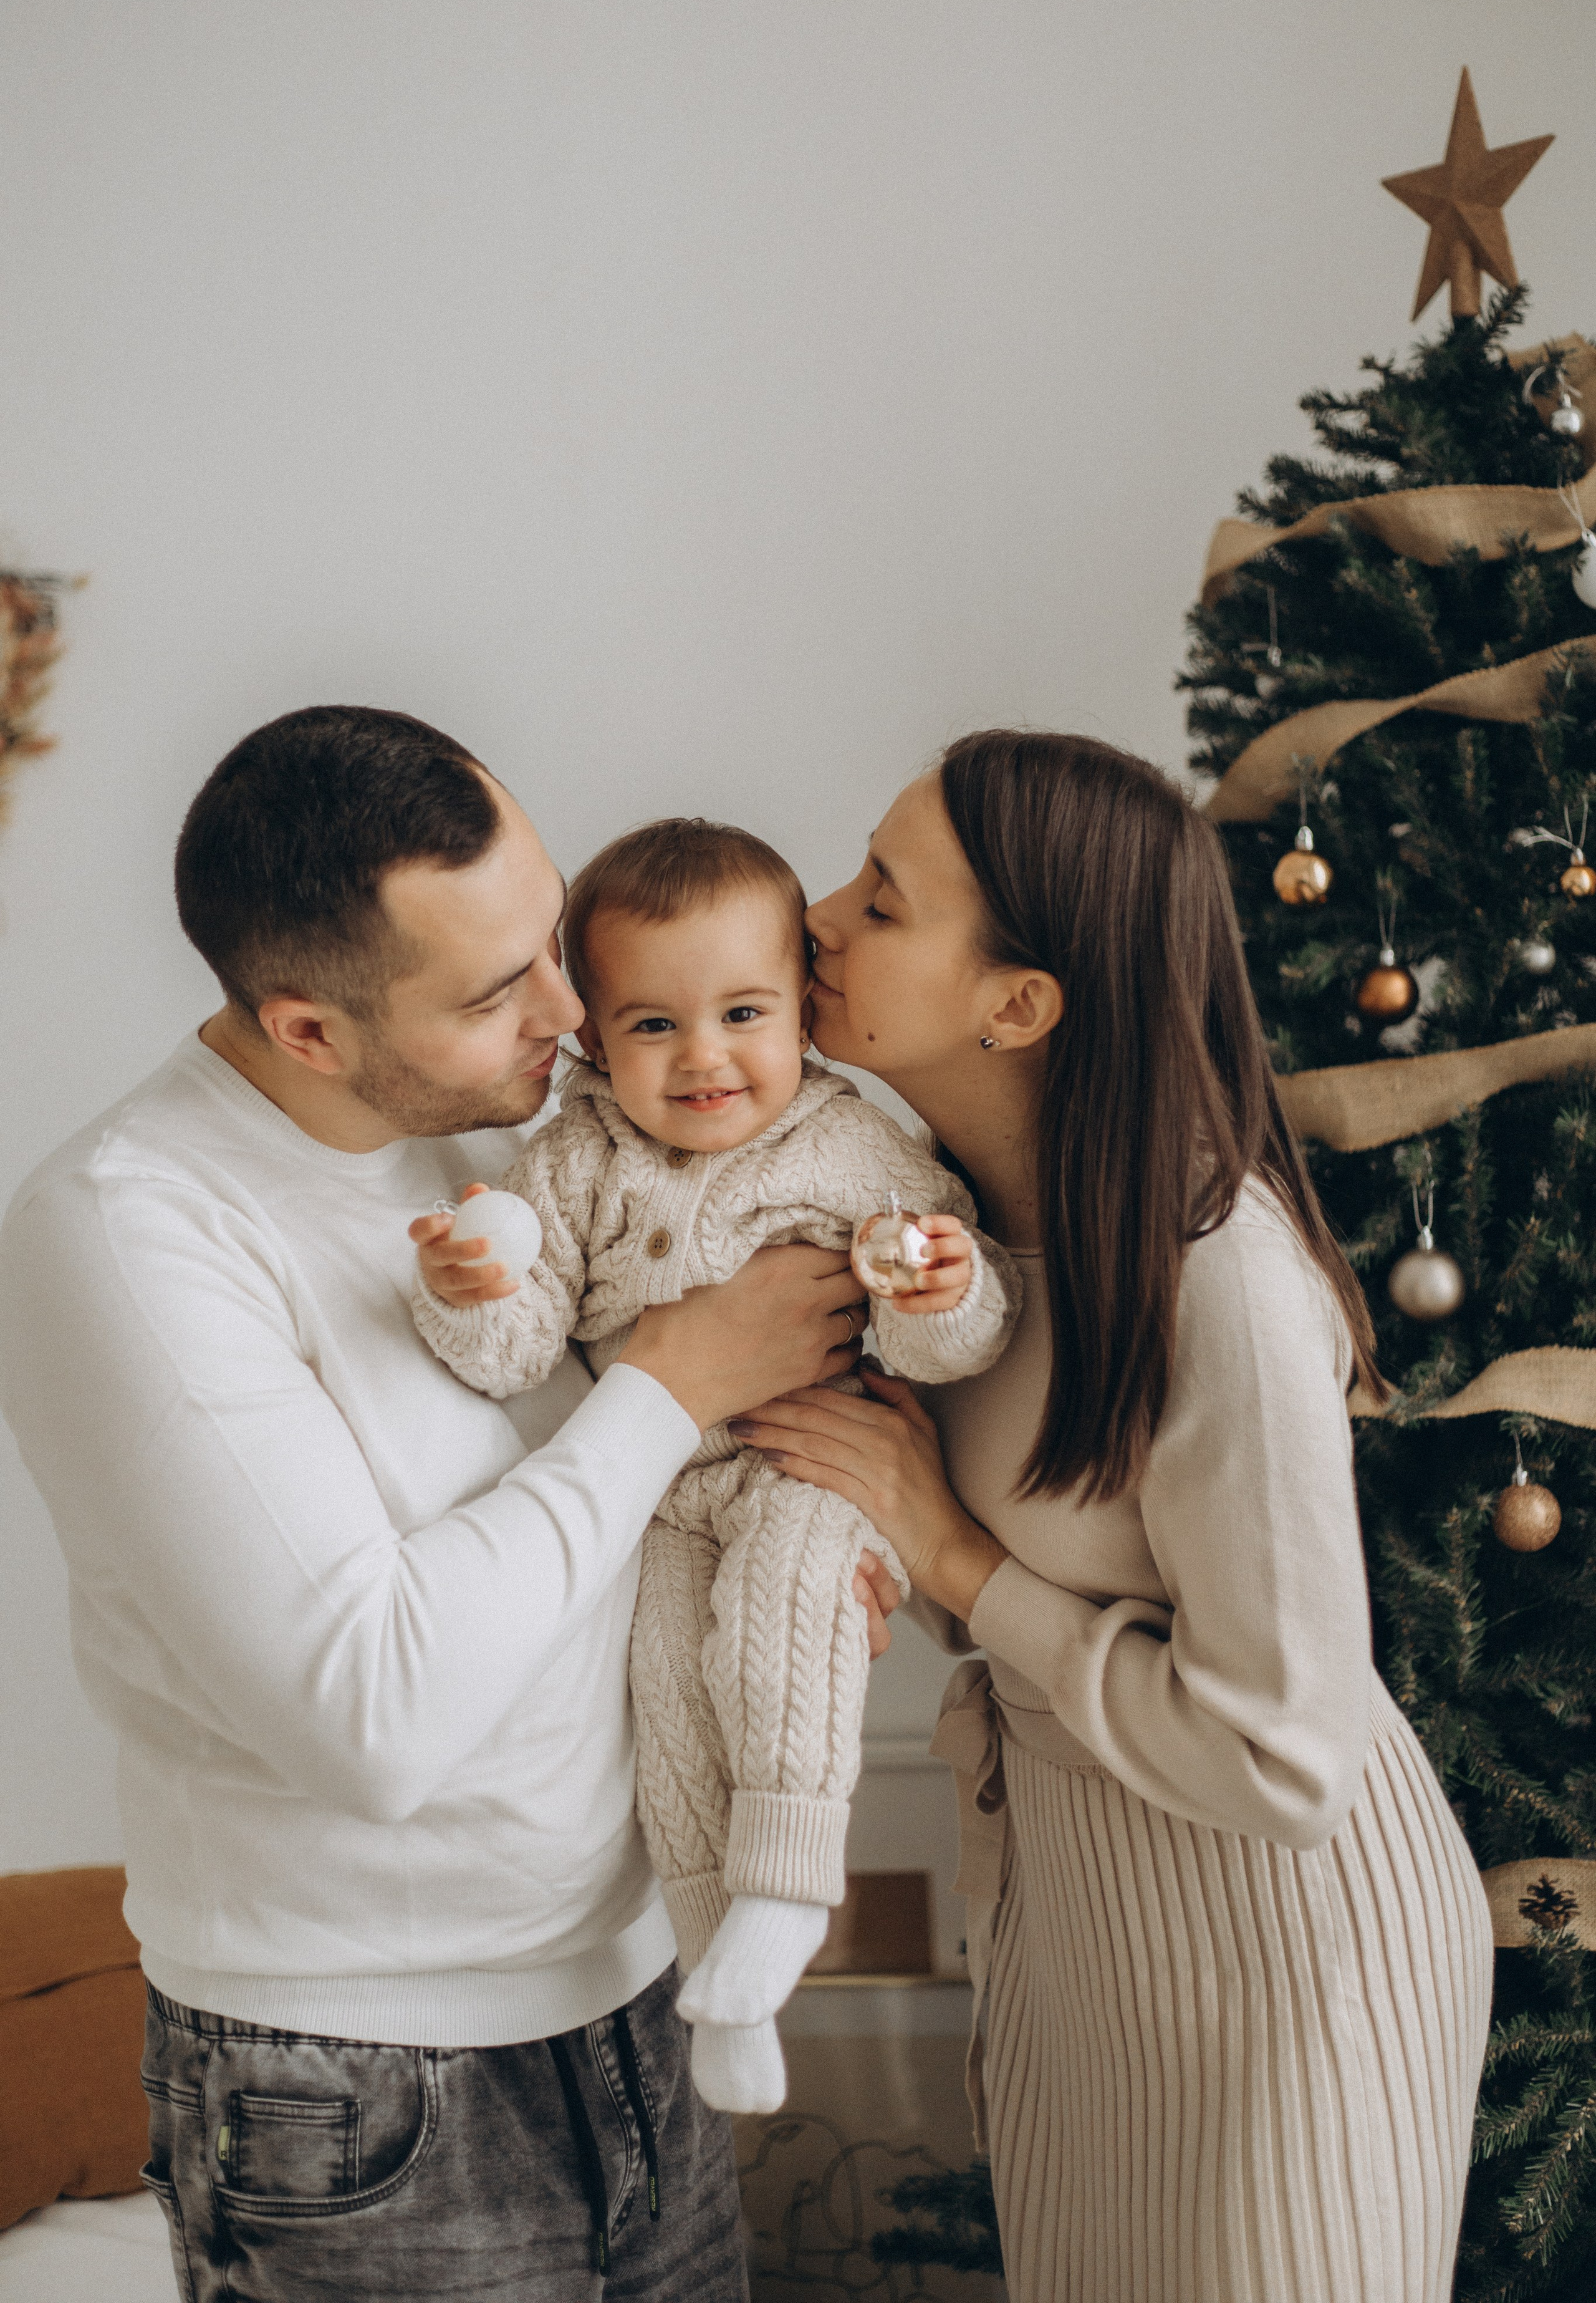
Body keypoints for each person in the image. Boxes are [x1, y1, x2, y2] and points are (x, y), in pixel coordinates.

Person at [0, 704, 899, 2303]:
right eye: (497, 993)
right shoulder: (127, 1237)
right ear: (308, 1032)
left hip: (637, 2007)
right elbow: (373, 1714)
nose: (572, 1008)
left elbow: (603, 1532)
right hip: (361, 2091)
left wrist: (806, 1532)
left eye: (551, 940)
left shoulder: (513, 1136)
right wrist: (675, 1383)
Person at [729, 728, 1493, 2303]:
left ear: (1017, 1005)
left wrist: (947, 1552)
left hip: (1290, 1956)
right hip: (1086, 1931)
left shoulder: (1214, 1273)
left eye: (884, 900)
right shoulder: (934, 1232)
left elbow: (1283, 1754)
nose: (816, 915)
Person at [408, 815, 1019, 2115]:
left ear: (803, 1008)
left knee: (771, 1624)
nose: (703, 1059)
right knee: (669, 1699)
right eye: (651, 1026)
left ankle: (789, 1895)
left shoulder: (852, 1146)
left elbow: (954, 1345)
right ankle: (716, 1973)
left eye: (743, 1012)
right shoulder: (569, 1163)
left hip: (816, 1464)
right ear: (589, 1037)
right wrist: (473, 1286)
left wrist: (935, 1287)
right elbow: (516, 1353)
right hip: (659, 1496)